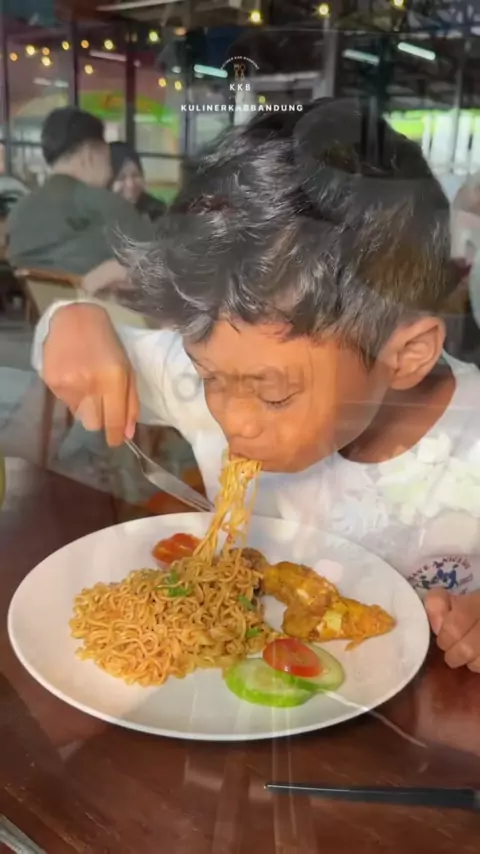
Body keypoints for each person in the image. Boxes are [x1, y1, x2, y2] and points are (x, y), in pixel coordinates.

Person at [34, 99, 480, 672]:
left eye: (274, 397)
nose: (233, 419)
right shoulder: (227, 366)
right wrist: (71, 319)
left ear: (407, 356)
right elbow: (63, 344)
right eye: (207, 376)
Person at [7, 107, 153, 288]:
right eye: (107, 157)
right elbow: (158, 271)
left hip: (42, 305)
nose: (110, 169)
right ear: (90, 155)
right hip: (103, 305)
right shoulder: (108, 205)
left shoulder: (19, 213)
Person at [110, 142, 166, 222]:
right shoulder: (96, 216)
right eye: (121, 178)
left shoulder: (157, 212)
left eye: (135, 175)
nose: (131, 185)